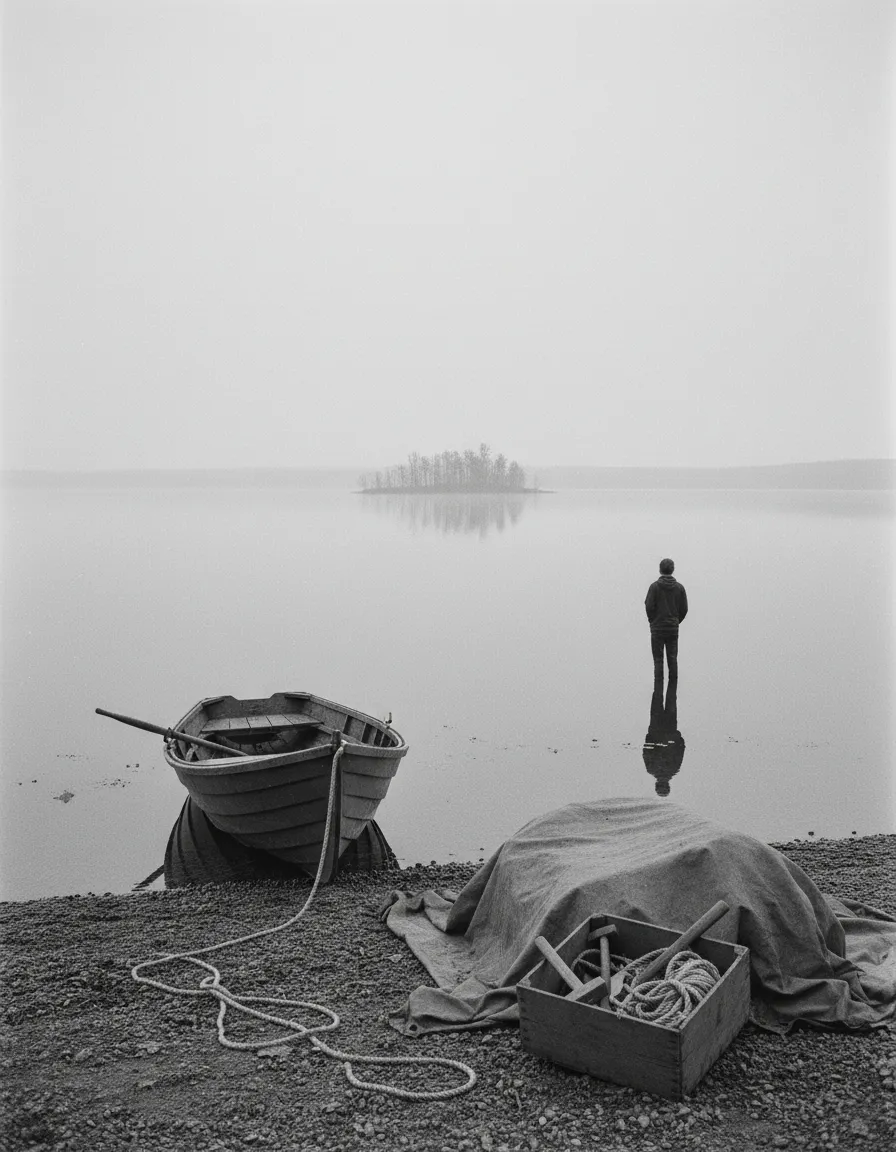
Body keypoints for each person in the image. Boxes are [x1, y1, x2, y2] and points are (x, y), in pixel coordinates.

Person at [645, 558, 688, 682]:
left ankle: (658, 686)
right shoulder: (680, 588)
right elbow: (684, 609)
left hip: (657, 628)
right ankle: (672, 685)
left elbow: (649, 606)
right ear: (673, 570)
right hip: (672, 629)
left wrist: (653, 622)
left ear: (660, 570)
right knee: (672, 658)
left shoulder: (654, 587)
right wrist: (675, 621)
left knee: (658, 660)